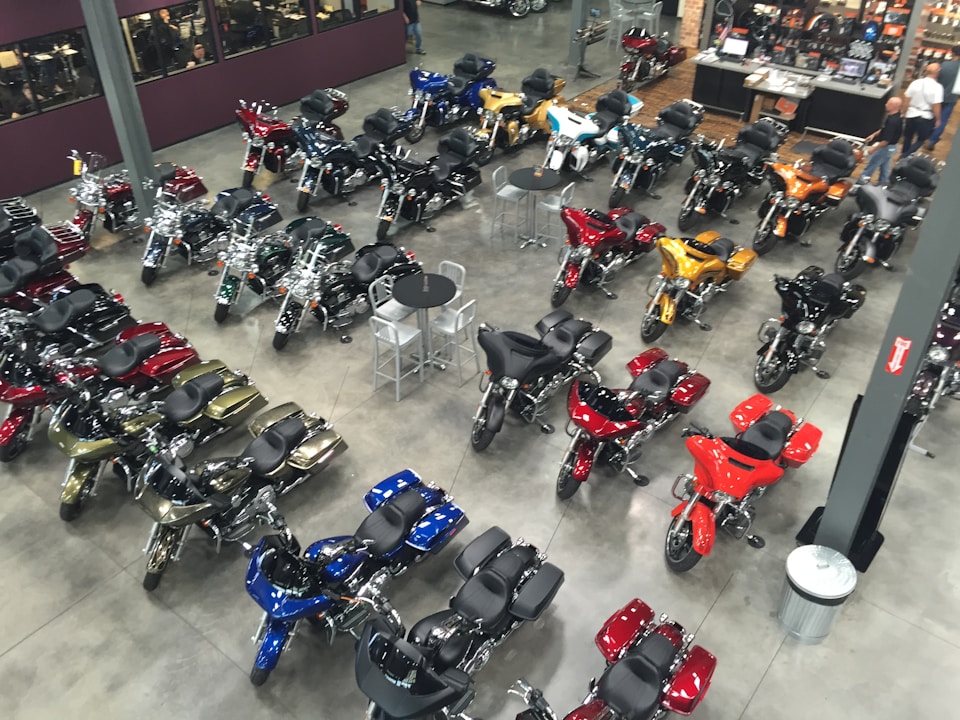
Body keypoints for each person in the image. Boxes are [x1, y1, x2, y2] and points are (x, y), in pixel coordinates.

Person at [857, 96, 903, 186]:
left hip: (886, 148)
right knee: (885, 168)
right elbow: (885, 129)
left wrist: (873, 149)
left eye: (888, 103)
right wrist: (874, 134)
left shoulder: (892, 121)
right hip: (892, 148)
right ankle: (883, 185)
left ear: (894, 106)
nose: (886, 104)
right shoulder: (897, 117)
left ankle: (858, 185)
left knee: (871, 166)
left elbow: (886, 140)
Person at [902, 62, 943, 156]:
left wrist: (904, 112)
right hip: (926, 116)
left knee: (907, 137)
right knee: (921, 139)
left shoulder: (915, 83)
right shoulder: (938, 87)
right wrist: (938, 119)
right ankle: (905, 156)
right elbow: (936, 105)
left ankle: (903, 156)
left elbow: (907, 99)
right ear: (936, 72)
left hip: (911, 113)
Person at [928, 45, 960, 150]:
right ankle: (933, 139)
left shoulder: (945, 65)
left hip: (938, 94)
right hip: (952, 98)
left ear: (953, 53)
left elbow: (936, 79)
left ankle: (926, 134)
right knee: (943, 119)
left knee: (933, 115)